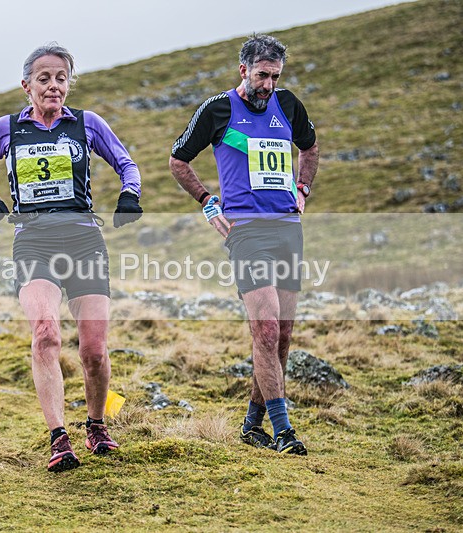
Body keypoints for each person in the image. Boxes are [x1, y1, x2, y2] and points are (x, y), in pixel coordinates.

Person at [0, 42, 143, 472]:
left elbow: (126, 163)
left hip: (84, 242)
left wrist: (129, 195)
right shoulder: (6, 128)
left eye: (61, 78)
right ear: (27, 85)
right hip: (33, 242)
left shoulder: (87, 123)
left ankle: (97, 425)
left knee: (94, 351)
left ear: (69, 84)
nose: (53, 86)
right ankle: (58, 437)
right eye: (44, 78)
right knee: (45, 333)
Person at [169, 34, 318, 455]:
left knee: (282, 335)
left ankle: (252, 424)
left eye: (274, 76)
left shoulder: (287, 105)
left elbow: (309, 146)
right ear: (243, 70)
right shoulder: (217, 110)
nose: (267, 84)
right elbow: (178, 160)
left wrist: (303, 188)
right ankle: (284, 430)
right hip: (246, 231)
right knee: (265, 328)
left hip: (287, 227)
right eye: (261, 75)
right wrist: (206, 202)